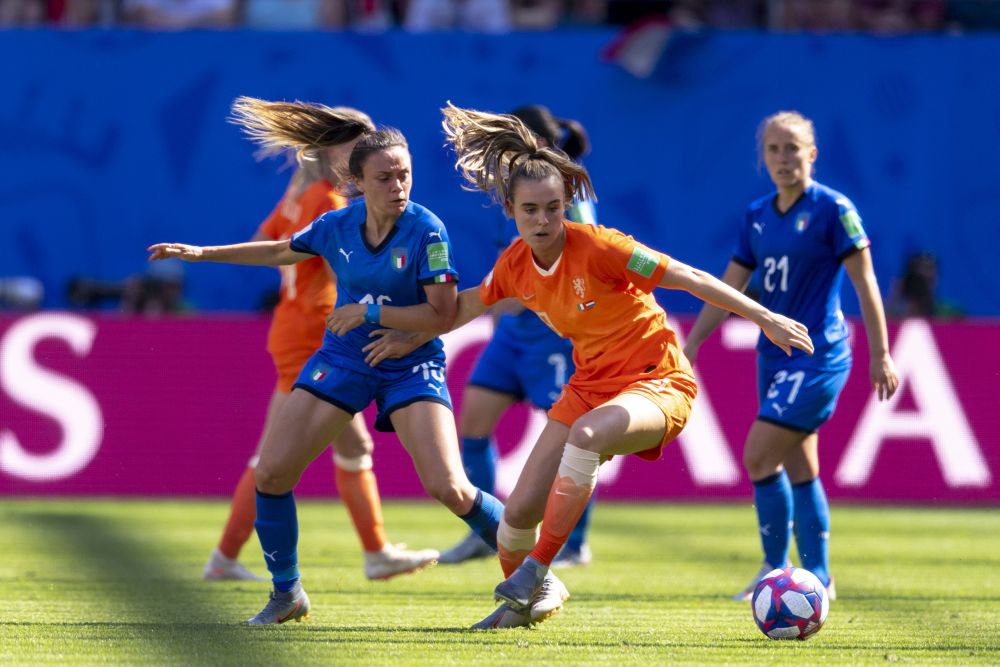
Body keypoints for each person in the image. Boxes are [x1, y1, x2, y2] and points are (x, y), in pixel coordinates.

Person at [365, 103, 813, 629]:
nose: (543, 220)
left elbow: (687, 276)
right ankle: (531, 601)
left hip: (658, 381)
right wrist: (408, 334)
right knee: (514, 518)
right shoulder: (513, 265)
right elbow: (465, 306)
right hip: (589, 385)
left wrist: (766, 317)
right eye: (530, 210)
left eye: (554, 208)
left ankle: (536, 570)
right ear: (510, 210)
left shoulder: (601, 247)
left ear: (566, 204)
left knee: (586, 435)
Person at [147, 98, 573, 627]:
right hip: (346, 357)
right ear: (358, 180)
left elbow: (442, 313)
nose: (399, 186)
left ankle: (538, 577)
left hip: (410, 362)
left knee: (449, 486)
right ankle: (288, 594)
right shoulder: (338, 224)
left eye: (405, 175)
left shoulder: (427, 231)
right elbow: (282, 250)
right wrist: (200, 254)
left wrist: (375, 312)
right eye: (386, 177)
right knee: (273, 473)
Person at [202, 100, 438, 585]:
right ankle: (227, 557)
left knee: (349, 449)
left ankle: (375, 552)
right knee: (275, 458)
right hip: (317, 336)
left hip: (294, 329)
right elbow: (351, 269)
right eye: (358, 149)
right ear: (336, 155)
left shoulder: (297, 196)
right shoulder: (331, 205)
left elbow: (266, 244)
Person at [682, 110, 900, 602]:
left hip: (819, 354)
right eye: (774, 150)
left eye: (792, 148)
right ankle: (820, 575)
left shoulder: (833, 209)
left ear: (812, 154)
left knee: (758, 455)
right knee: (801, 466)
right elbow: (727, 287)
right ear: (763, 158)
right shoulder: (757, 215)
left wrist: (882, 353)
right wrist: (694, 341)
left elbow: (865, 284)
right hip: (773, 355)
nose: (783, 159)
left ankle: (774, 568)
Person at [439, 104, 599, 569]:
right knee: (473, 424)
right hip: (511, 334)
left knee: (574, 445)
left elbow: (574, 268)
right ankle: (486, 534)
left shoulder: (569, 193)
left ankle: (575, 544)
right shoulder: (511, 193)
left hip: (555, 338)